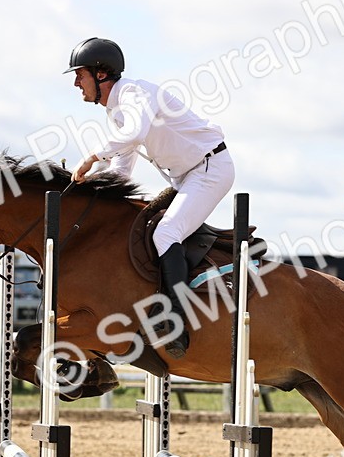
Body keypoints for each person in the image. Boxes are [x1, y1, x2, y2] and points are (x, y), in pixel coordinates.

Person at [66, 37, 235, 359]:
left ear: (101, 74)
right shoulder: (116, 112)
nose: (76, 83)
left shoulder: (134, 93)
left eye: (80, 74)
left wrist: (91, 157)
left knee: (166, 232)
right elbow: (121, 172)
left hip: (210, 168)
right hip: (188, 176)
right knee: (142, 228)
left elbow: (135, 134)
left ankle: (175, 320)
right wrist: (85, 187)